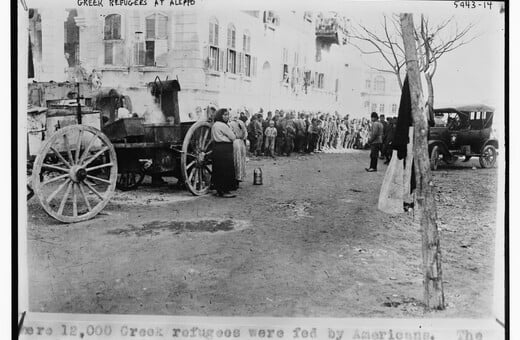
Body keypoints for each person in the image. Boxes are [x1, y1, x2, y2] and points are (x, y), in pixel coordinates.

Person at [211, 109, 237, 198]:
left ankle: (219, 189)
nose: (227, 116)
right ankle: (225, 190)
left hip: (217, 148)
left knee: (218, 169)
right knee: (226, 169)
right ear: (220, 116)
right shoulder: (223, 125)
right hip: (225, 149)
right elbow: (233, 137)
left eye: (227, 115)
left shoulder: (214, 125)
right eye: (225, 115)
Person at [229, 111, 248, 186]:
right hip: (241, 142)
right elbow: (245, 134)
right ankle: (240, 177)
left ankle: (235, 178)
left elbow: (230, 134)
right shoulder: (241, 123)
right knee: (241, 160)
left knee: (236, 160)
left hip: (235, 142)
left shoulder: (230, 124)